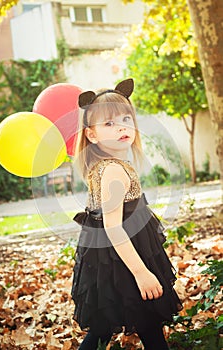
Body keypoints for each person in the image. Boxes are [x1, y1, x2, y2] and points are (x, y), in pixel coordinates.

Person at [71, 78, 183, 350]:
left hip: (111, 258)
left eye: (125, 118)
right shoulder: (113, 171)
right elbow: (113, 227)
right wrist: (141, 272)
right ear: (92, 134)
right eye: (109, 123)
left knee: (107, 327)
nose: (122, 126)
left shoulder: (107, 165)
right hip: (124, 259)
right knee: (138, 322)